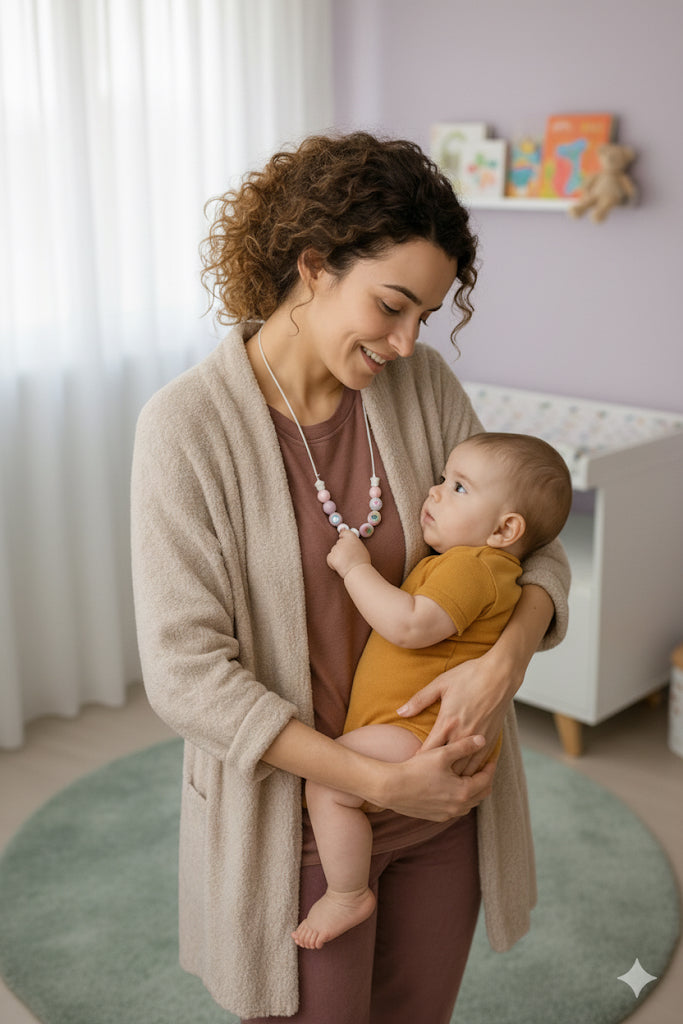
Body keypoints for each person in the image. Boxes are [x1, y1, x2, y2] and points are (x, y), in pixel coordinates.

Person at [130, 131, 570, 1024]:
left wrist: (506, 660)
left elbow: (531, 548)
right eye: (392, 306)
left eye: (426, 317)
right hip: (293, 828)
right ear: (314, 266)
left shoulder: (424, 389)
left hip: (441, 803)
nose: (409, 343)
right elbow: (186, 677)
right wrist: (368, 784)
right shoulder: (186, 429)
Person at [292, 431, 572, 950]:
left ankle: (347, 892)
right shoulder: (472, 564)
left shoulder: (476, 568)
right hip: (422, 731)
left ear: (506, 529)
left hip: (420, 734)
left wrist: (355, 568)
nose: (435, 491)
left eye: (459, 488)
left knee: (327, 786)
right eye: (442, 478)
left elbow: (410, 625)